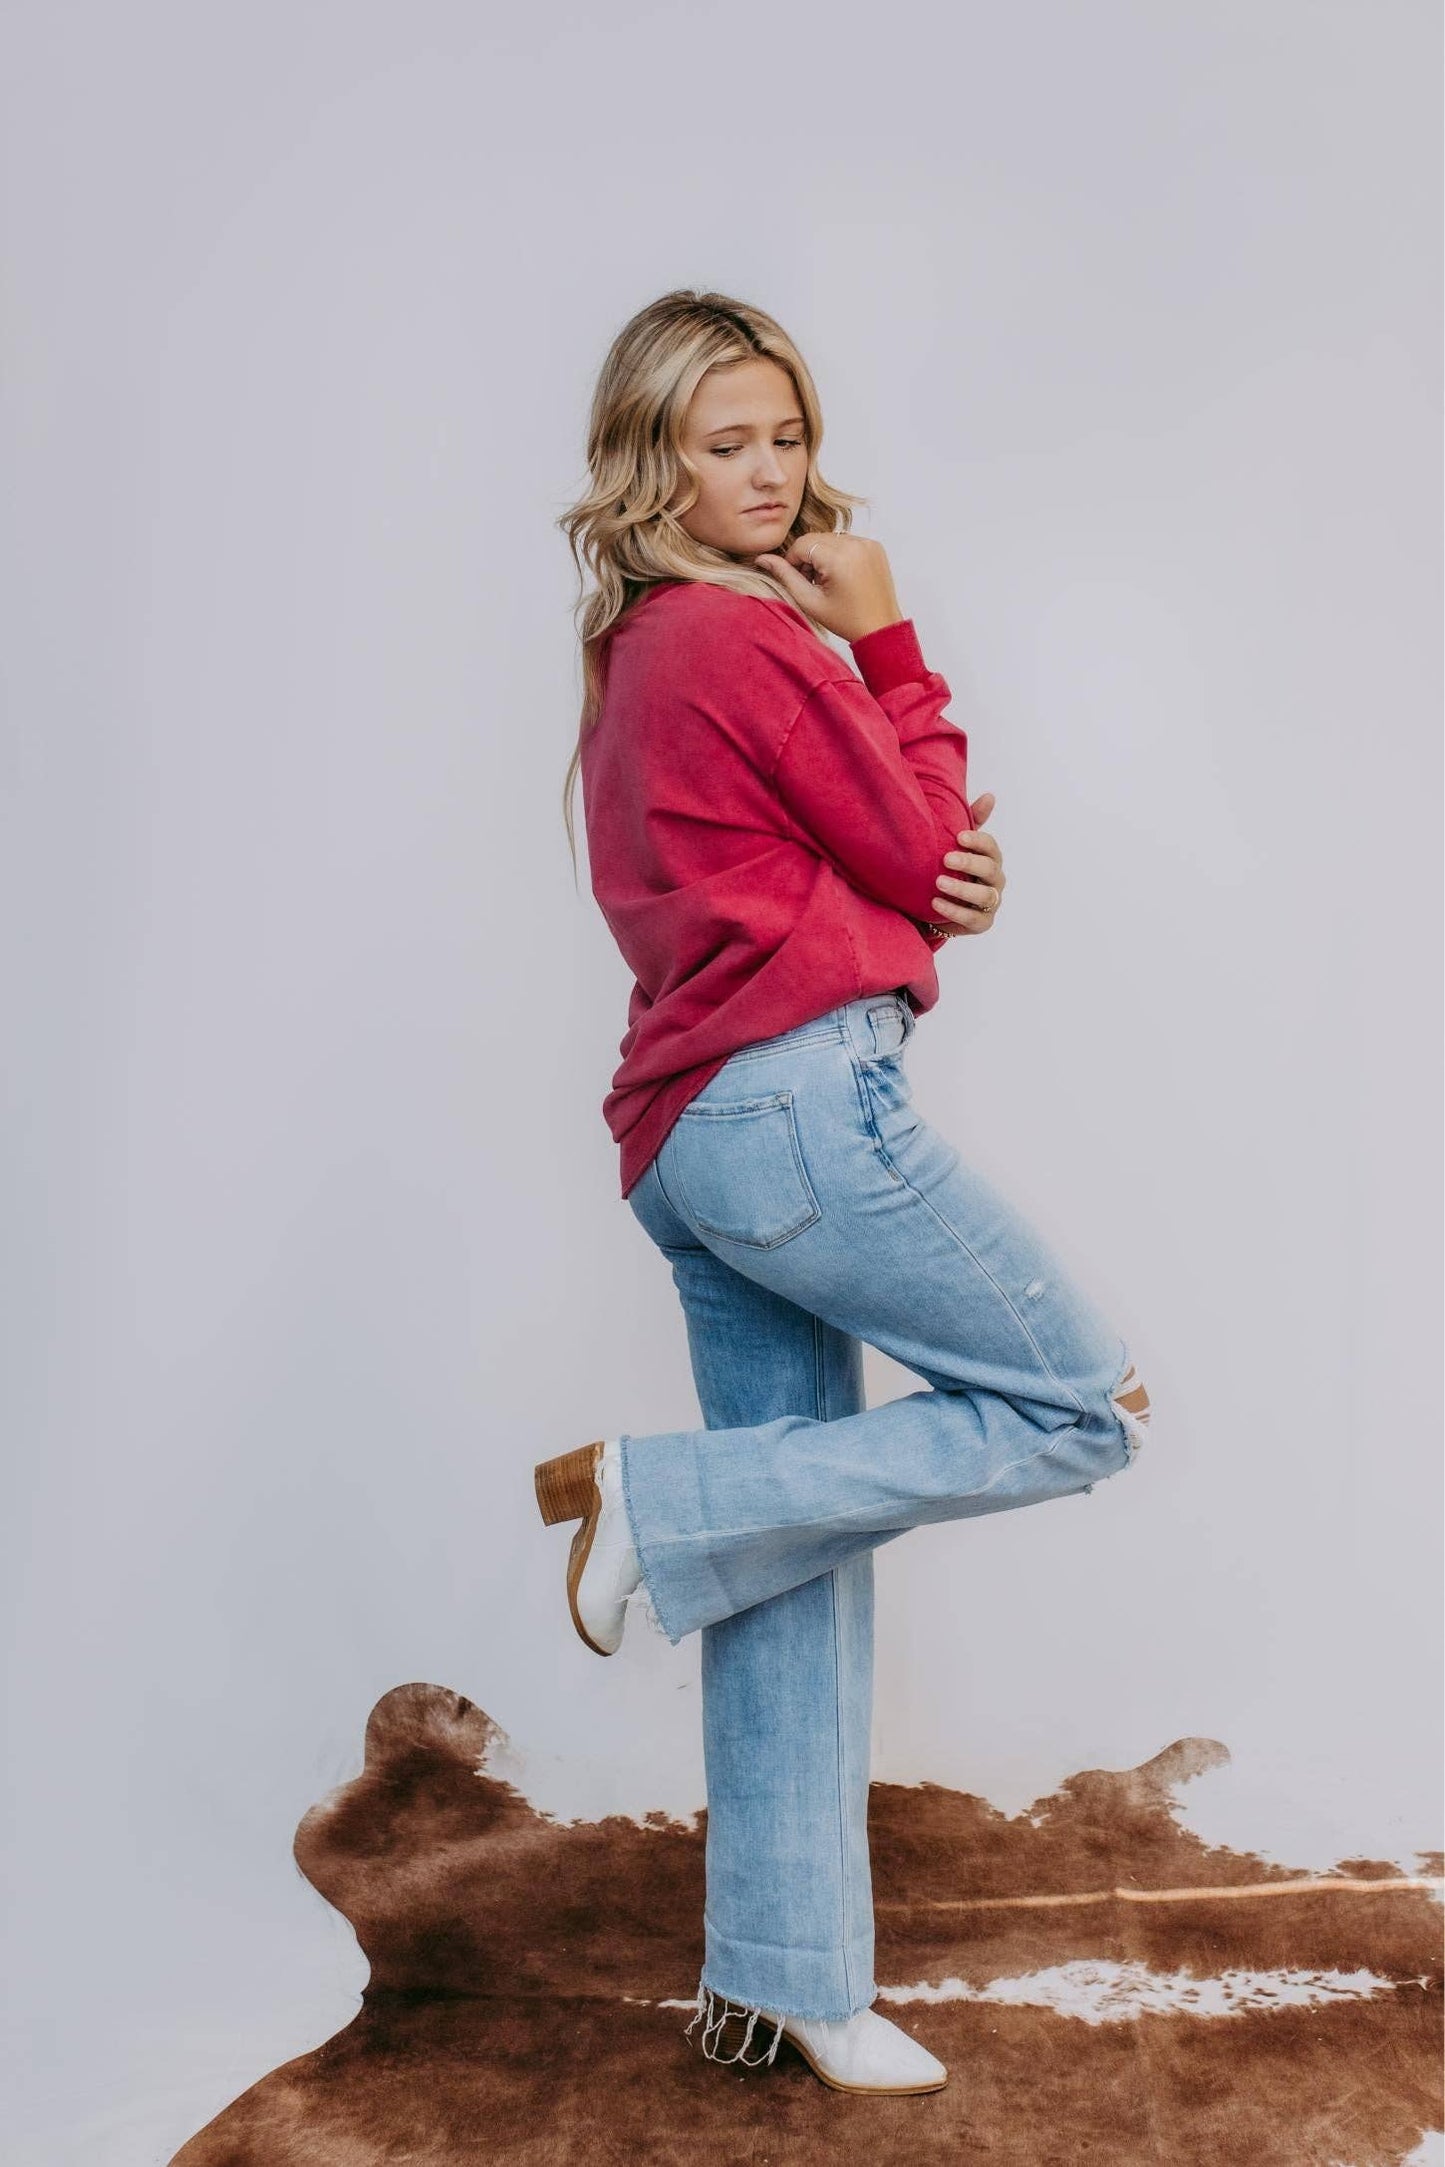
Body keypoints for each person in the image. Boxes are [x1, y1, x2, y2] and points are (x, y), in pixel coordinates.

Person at [535, 289, 1153, 2098]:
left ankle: (778, 1979)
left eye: (783, 437)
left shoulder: (646, 649)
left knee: (779, 1557)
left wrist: (921, 872)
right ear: (649, 462)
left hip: (695, 1134)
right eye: (721, 445)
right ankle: (654, 1501)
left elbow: (905, 868)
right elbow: (917, 839)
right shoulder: (738, 640)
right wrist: (892, 648)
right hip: (797, 1112)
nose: (766, 474)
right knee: (1087, 1407)